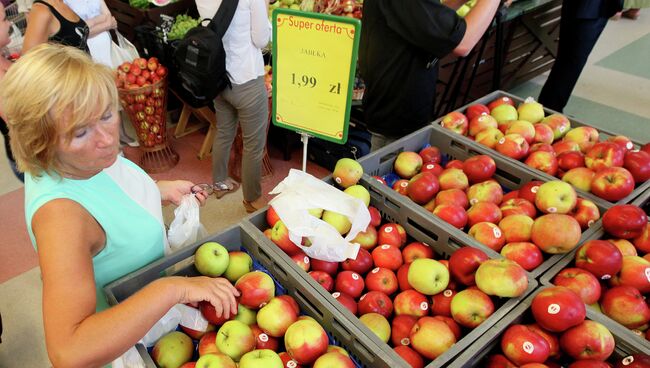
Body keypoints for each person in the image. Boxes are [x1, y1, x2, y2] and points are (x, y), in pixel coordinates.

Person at [0, 44, 239, 367]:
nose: (107, 138)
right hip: (126, 343)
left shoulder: (82, 161)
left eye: (107, 114)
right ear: (40, 143)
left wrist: (155, 190)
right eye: (81, 132)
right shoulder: (61, 218)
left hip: (151, 319)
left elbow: (108, 188)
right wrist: (173, 290)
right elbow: (68, 351)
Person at [359, 0, 500, 151]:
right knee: (390, 167)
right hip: (396, 116)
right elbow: (464, 43)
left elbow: (426, 17)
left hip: (403, 104)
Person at [196, 0, 271, 213]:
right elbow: (261, 40)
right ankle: (252, 199)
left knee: (224, 132)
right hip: (246, 78)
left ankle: (219, 184)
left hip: (219, 76)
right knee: (253, 146)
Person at [63, 0, 139, 147]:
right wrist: (104, 24)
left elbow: (108, 16)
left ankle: (121, 134)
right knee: (100, 94)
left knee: (114, 89)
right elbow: (78, 33)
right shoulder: (64, 2)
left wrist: (92, 24)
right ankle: (111, 137)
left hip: (107, 49)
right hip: (89, 54)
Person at [538, 0, 623, 113]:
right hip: (592, 9)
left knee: (566, 59)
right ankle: (550, 110)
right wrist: (617, 6)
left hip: (578, 6)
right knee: (572, 62)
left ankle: (546, 107)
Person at [0, 1, 22, 181]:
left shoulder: (5, 57)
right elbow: (19, 121)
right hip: (29, 159)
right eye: (4, 19)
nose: (9, 24)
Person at [21, 0, 89, 53]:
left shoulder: (63, 3)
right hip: (68, 70)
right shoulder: (42, 11)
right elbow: (28, 60)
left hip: (86, 68)